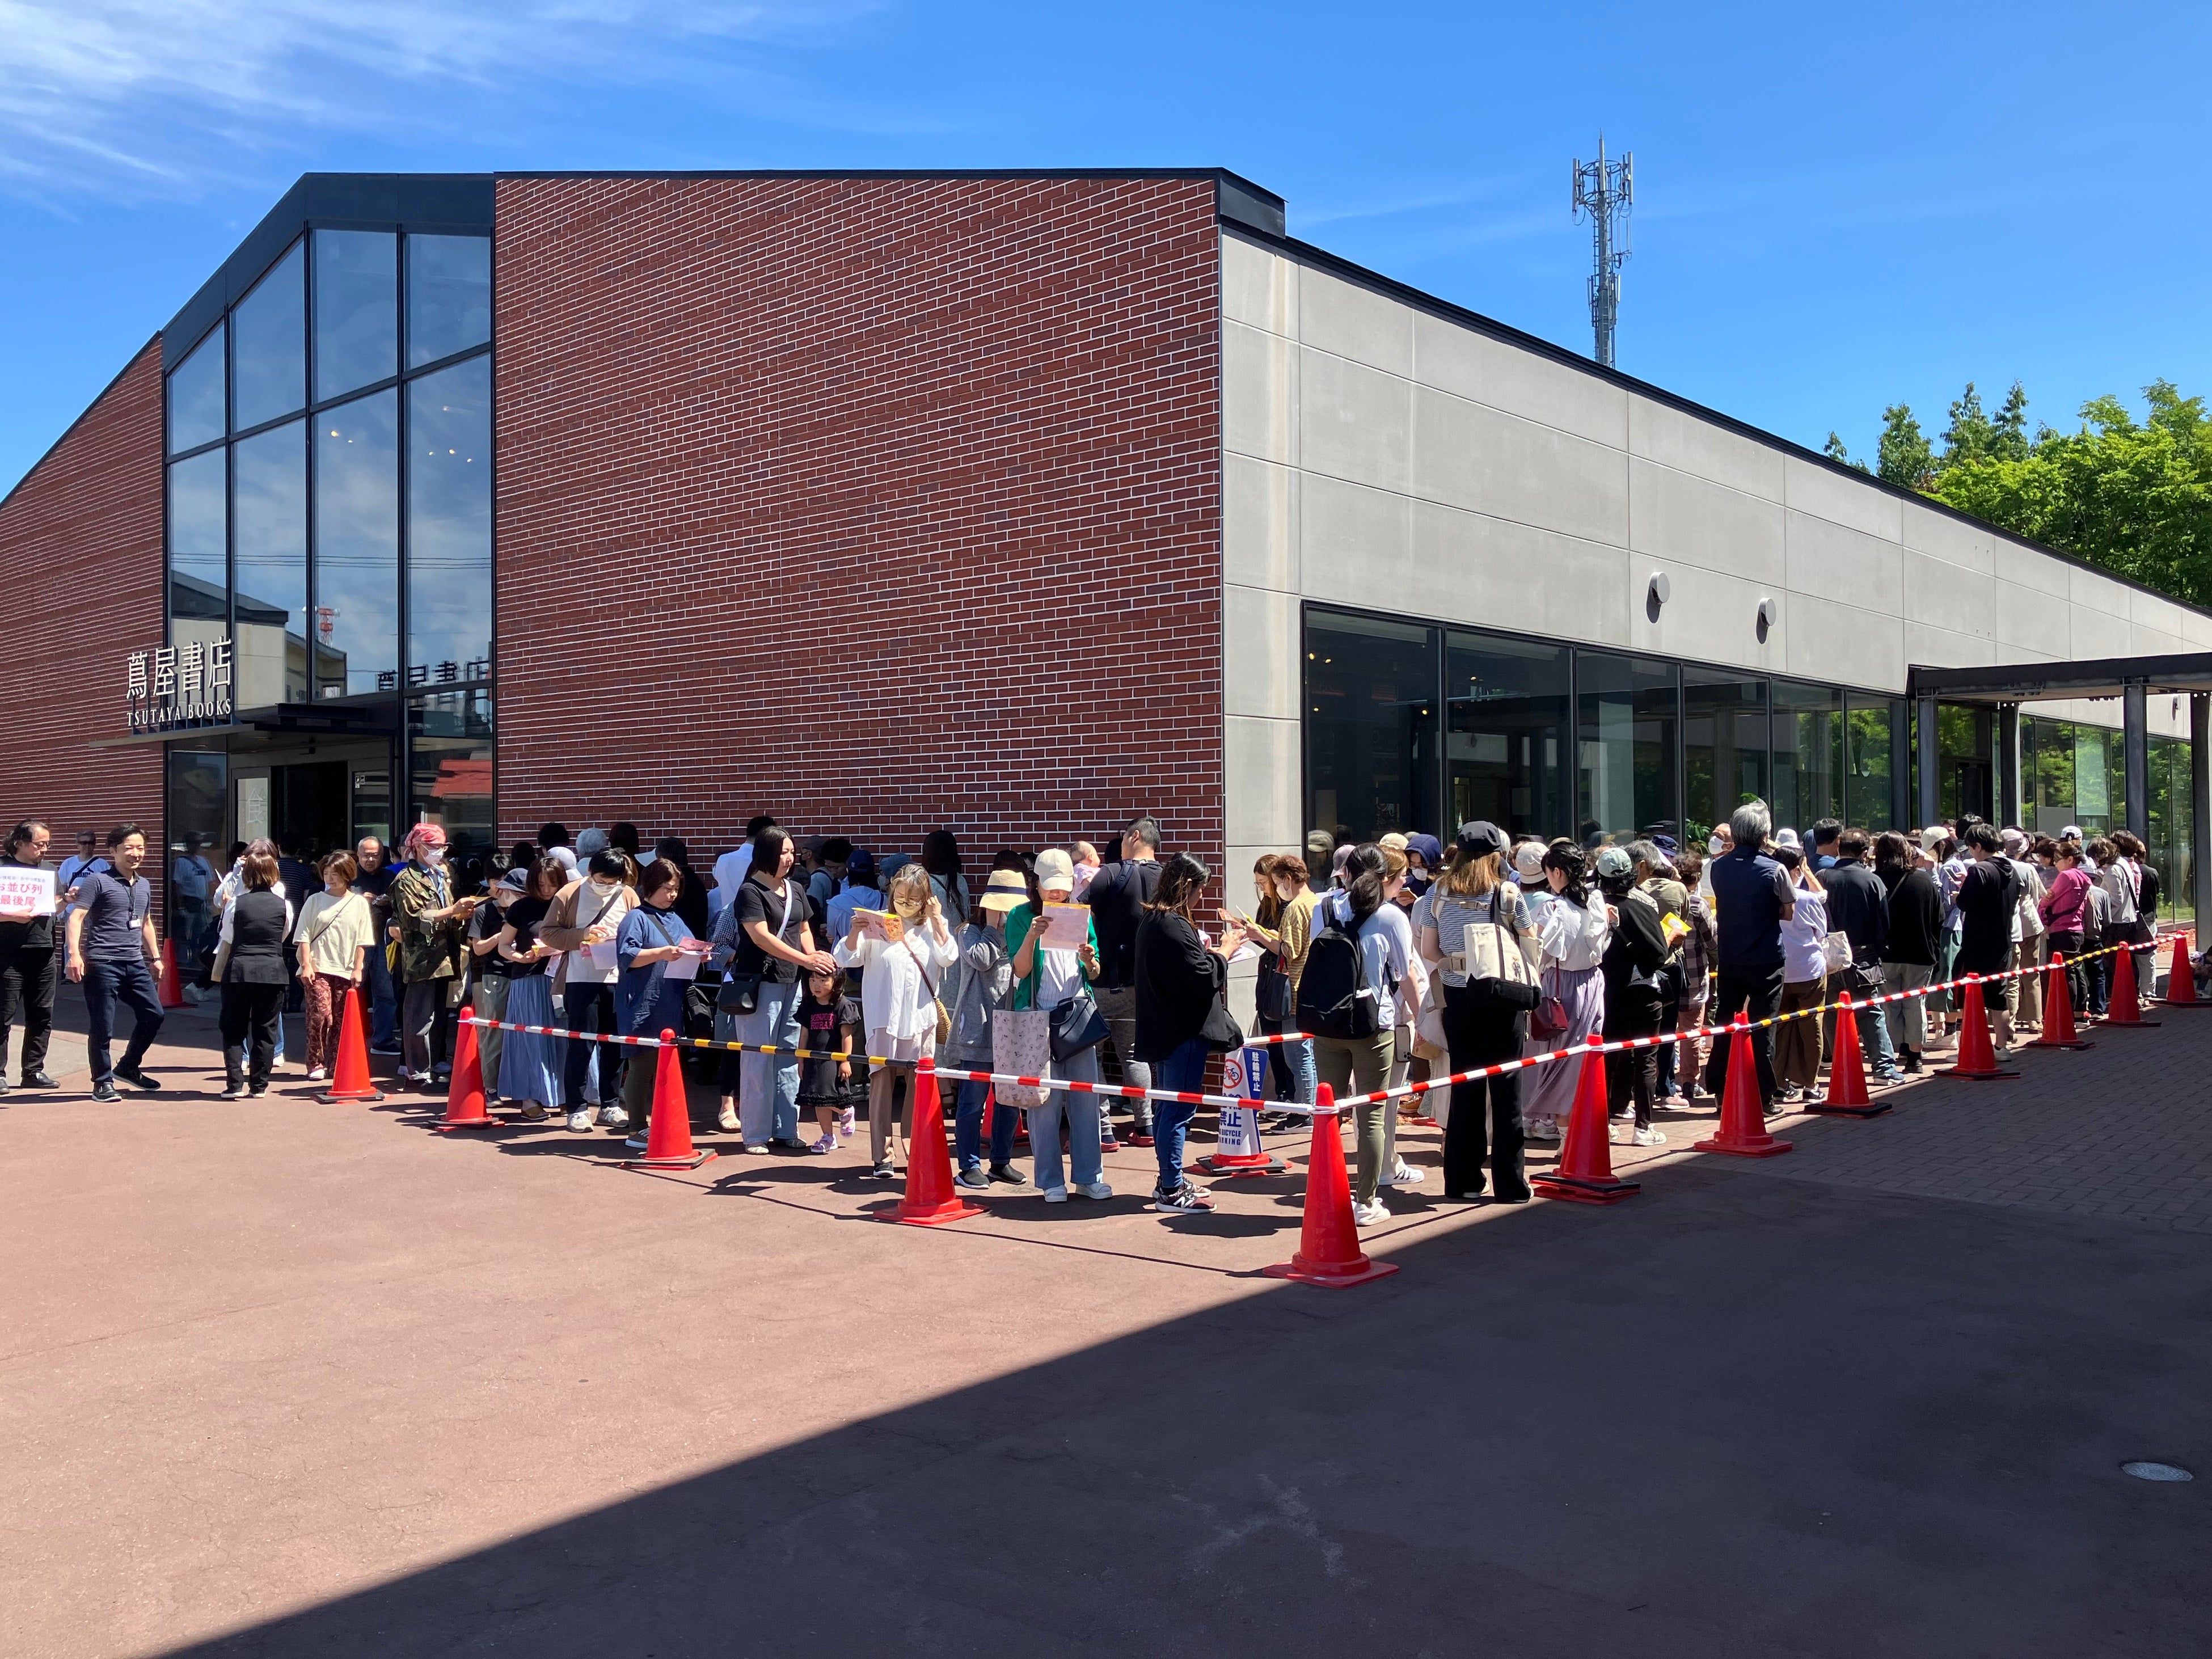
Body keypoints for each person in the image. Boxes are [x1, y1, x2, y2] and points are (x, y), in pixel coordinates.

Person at [1416, 820, 1533, 1202]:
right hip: (1503, 999)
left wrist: (1457, 959)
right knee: (1507, 1092)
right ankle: (1511, 1184)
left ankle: (1463, 1181)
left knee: (1464, 1090)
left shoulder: (1438, 893)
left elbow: (1428, 952)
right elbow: (1531, 948)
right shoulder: (1509, 893)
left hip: (1459, 1000)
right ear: (1497, 853)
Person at [1298, 844, 1411, 1226]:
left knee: (1327, 1112)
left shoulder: (1323, 909)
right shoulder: (1392, 916)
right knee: (1372, 1116)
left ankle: (1325, 1188)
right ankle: (1365, 1201)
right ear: (1383, 877)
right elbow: (1401, 969)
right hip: (1372, 1024)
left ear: (1345, 873)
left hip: (1327, 1022)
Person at [1131, 852, 1246, 1214]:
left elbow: (1186, 969)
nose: (1201, 898)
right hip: (1182, 1030)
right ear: (1187, 887)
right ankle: (1170, 1187)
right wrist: (1224, 953)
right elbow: (1201, 978)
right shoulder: (1172, 924)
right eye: (1199, 890)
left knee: (1169, 1108)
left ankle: (1171, 1178)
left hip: (1166, 1028)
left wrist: (1208, 955)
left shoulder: (1154, 920)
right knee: (1178, 1110)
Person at [835, 860, 958, 1180]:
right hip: (883, 1019)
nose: (904, 904)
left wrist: (937, 921)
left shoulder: (933, 925)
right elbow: (845, 958)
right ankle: (882, 1156)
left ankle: (914, 1148)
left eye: (912, 898)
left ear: (926, 898)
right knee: (881, 1086)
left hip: (920, 1019)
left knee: (919, 1087)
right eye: (899, 896)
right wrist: (854, 933)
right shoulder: (879, 925)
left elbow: (949, 957)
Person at [714, 826, 834, 1149]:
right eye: (783, 852)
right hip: (760, 983)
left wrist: (814, 956)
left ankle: (786, 1130)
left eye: (792, 852)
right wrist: (807, 961)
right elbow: (760, 937)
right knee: (758, 1058)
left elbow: (804, 927)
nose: (790, 858)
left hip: (792, 982)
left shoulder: (795, 889)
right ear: (766, 854)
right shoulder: (750, 892)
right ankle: (755, 1134)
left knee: (789, 1057)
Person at [1009, 847, 1111, 1200]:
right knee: (1044, 1104)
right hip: (1037, 1017)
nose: (1056, 892)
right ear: (1034, 884)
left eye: (1062, 886)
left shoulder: (1082, 915)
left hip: (1077, 1014)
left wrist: (1090, 959)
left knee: (1085, 1099)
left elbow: (1094, 973)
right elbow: (1020, 972)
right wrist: (1031, 936)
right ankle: (1051, 1180)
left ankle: (1088, 1175)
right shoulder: (1021, 916)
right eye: (1048, 885)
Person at [1703, 801, 1795, 1111]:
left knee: (1726, 1022)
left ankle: (1718, 1089)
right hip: (1767, 958)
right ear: (1764, 834)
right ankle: (1765, 1094)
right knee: (1763, 1026)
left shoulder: (1718, 867)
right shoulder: (1775, 869)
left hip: (1730, 955)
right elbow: (1789, 911)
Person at [613, 859, 713, 1145]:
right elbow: (627, 958)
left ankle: (661, 1122)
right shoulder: (636, 918)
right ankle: (635, 1127)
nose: (672, 894)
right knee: (641, 1065)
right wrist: (662, 953)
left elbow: (688, 946)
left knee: (666, 1066)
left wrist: (700, 955)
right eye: (667, 888)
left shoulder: (675, 917)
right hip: (642, 1000)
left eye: (676, 888)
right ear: (651, 885)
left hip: (670, 1000)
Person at [540, 849, 637, 1133]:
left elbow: (638, 929)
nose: (606, 885)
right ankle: (577, 1107)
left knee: (614, 1044)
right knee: (581, 1042)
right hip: (580, 978)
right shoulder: (570, 893)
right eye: (601, 879)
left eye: (613, 881)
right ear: (590, 872)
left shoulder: (628, 894)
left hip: (618, 978)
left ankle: (610, 1104)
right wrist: (583, 934)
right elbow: (548, 933)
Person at [65, 824, 163, 1101]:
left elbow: (145, 922)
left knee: (154, 1014)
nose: (136, 853)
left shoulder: (144, 884)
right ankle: (102, 1082)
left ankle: (129, 1067)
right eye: (129, 848)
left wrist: (155, 957)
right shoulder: (97, 880)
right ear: (114, 851)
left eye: (141, 848)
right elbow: (77, 917)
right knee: (103, 1025)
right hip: (103, 961)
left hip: (134, 962)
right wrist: (75, 955)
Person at [1523, 841, 1610, 1139]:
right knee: (1582, 1056)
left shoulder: (1551, 910)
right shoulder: (1596, 901)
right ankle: (1572, 1129)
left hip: (1559, 988)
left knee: (1556, 1057)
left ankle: (1562, 1130)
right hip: (1593, 983)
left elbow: (1541, 955)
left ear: (1557, 873)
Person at [1086, 816, 1164, 1143]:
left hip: (1105, 977)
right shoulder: (1168, 878)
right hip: (1147, 983)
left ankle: (1103, 1130)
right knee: (1133, 1053)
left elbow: (1079, 913)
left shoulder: (1111, 874)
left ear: (1134, 836)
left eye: (1123, 837)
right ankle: (1145, 1124)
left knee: (1092, 1053)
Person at [946, 863, 1023, 1188]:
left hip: (1011, 1025)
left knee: (1008, 1100)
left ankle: (1001, 1161)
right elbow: (980, 959)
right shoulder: (968, 931)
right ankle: (968, 1165)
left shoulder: (1022, 928)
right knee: (972, 1102)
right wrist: (992, 927)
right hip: (977, 1026)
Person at [388, 824, 478, 1091]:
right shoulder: (406, 879)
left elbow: (445, 913)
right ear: (417, 848)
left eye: (441, 847)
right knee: (419, 1016)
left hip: (444, 954)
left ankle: (433, 1064)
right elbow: (414, 918)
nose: (438, 853)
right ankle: (416, 1072)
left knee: (439, 1014)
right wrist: (453, 911)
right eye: (433, 847)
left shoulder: (442, 876)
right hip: (421, 958)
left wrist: (460, 915)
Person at [1596, 845, 1672, 1140]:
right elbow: (1658, 955)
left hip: (1604, 993)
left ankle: (1603, 1120)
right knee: (1646, 1057)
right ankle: (1643, 1126)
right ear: (1631, 875)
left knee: (1604, 1057)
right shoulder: (1643, 907)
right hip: (1643, 992)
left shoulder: (1591, 908)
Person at [1237, 854, 1317, 1116]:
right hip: (1310, 986)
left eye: (1271, 882)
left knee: (1298, 1055)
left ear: (1286, 879)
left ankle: (1303, 1110)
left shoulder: (1295, 907)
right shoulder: (1315, 902)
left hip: (1294, 988)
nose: (1269, 889)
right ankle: (1305, 1107)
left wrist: (1261, 935)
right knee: (1303, 1052)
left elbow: (1289, 950)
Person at [1821, 829, 1902, 1084]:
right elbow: (1883, 923)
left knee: (1833, 1013)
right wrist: (1880, 949)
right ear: (1865, 852)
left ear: (1839, 847)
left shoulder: (1822, 878)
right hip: (1864, 955)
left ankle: (1842, 1065)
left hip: (1829, 955)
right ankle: (1883, 1069)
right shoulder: (1872, 881)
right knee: (1871, 1012)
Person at [492, 859, 567, 1122]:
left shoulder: (568, 904)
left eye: (553, 883)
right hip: (529, 979)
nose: (547, 890)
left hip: (564, 979)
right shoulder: (521, 908)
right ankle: (529, 1099)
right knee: (531, 1040)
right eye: (541, 884)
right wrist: (520, 958)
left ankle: (567, 1096)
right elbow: (503, 946)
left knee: (565, 1039)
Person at [214, 849, 292, 1099]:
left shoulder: (236, 903)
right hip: (272, 970)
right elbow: (283, 935)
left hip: (239, 969)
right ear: (273, 875)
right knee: (266, 1029)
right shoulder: (284, 905)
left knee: (234, 1028)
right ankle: (259, 1087)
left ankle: (234, 1085)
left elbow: (227, 937)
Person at [295, 852, 374, 1082]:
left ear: (347, 874)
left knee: (341, 1019)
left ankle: (337, 1061)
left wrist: (358, 968)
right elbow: (304, 934)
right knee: (320, 1016)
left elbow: (363, 939)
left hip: (346, 968)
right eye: (327, 873)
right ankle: (316, 1062)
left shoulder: (358, 902)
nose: (330, 878)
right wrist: (306, 965)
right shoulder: (315, 900)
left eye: (335, 874)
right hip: (318, 967)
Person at [0, 821, 60, 1094]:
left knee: (42, 1015)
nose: (44, 849)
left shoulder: (48, 870)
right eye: (39, 844)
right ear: (19, 843)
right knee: (4, 1015)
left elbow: (52, 904)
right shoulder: (3, 869)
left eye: (47, 844)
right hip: (8, 953)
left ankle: (33, 1071)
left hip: (44, 950)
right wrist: (12, 916)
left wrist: (66, 900)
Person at [1876, 831, 1941, 1074]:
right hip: (1920, 953)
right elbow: (1939, 918)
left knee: (1889, 1005)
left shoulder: (1876, 880)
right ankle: (1915, 1057)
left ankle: (1890, 1055)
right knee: (1915, 1003)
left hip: (1887, 954)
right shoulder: (1924, 881)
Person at [1955, 824, 2023, 1050]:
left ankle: (1972, 1048)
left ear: (1979, 846)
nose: (1971, 853)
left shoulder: (1979, 870)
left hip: (1976, 942)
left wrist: (1959, 892)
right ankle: (2001, 1048)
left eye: (1971, 848)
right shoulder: (2012, 871)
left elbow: (1964, 902)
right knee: (1998, 997)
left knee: (1970, 995)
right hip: (2003, 941)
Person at [1772, 846, 1828, 1105]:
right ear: (1798, 869)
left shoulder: (1768, 896)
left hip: (1780, 970)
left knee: (1780, 1027)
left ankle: (1779, 1083)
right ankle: (1810, 1083)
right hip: (1809, 970)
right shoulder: (1806, 898)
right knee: (1811, 1027)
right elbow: (1821, 933)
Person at [467, 868, 526, 1094]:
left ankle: (515, 1086)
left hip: (523, 974)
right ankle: (490, 1087)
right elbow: (478, 949)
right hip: (495, 975)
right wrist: (500, 937)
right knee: (494, 1031)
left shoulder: (523, 911)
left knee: (521, 1032)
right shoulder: (484, 910)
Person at [794, 964, 860, 1154]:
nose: (817, 985)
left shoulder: (842, 1005)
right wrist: (801, 1059)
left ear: (835, 982)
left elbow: (846, 1035)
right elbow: (804, 1034)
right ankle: (828, 1137)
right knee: (817, 1099)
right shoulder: (808, 1005)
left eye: (823, 981)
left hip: (833, 1060)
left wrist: (846, 1060)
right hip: (812, 1059)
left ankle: (845, 1111)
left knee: (829, 1095)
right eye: (813, 980)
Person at [1671, 849, 1716, 1099]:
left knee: (1666, 1030)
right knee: (1691, 1031)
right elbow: (1713, 942)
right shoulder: (1698, 906)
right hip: (1695, 976)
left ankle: (1663, 1080)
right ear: (1697, 878)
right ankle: (1689, 1081)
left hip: (1668, 974)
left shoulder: (1662, 900)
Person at [2039, 840, 2096, 1018]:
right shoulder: (2084, 877)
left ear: (2070, 859)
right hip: (2077, 928)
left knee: (2066, 972)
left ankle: (2068, 1012)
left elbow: (2049, 898)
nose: (2055, 864)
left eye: (2058, 859)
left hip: (2062, 929)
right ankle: (2079, 1011)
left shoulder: (2066, 876)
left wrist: (2042, 906)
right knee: (2076, 969)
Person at [354, 837, 400, 1054]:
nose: (371, 859)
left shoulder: (390, 876)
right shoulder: (349, 876)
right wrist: (358, 900)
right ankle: (348, 1038)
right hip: (356, 942)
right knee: (353, 989)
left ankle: (383, 1040)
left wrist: (388, 902)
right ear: (358, 855)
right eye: (367, 855)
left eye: (376, 855)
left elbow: (401, 906)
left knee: (385, 992)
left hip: (382, 939)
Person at [920, 829, 970, 929]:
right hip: (959, 940)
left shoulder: (924, 883)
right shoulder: (960, 880)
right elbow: (967, 913)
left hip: (936, 940)